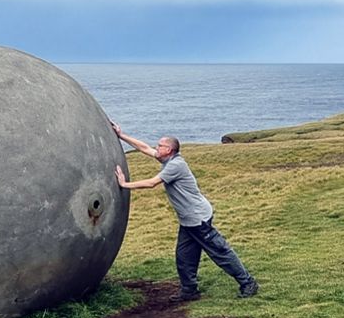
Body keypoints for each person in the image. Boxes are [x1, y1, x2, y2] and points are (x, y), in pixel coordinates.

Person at [110, 121, 259, 301]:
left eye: (161, 146)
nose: (156, 148)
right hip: (188, 220)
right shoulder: (167, 159)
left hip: (198, 219)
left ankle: (248, 282)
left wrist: (124, 184)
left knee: (220, 252)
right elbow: (144, 148)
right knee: (184, 256)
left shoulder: (176, 165)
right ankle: (189, 291)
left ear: (170, 150)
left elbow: (151, 183)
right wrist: (121, 135)